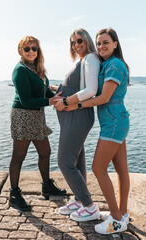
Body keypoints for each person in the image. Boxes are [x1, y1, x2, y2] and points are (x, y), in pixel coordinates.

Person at [62, 28, 130, 234]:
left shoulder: (115, 65)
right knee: (121, 170)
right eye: (99, 43)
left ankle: (117, 220)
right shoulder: (107, 63)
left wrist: (76, 105)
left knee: (98, 168)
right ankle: (123, 213)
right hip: (116, 121)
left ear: (115, 44)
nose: (101, 46)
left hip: (114, 123)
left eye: (106, 43)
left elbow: (104, 98)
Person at [9, 36, 66, 211]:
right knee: (19, 156)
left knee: (45, 152)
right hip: (23, 115)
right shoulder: (20, 70)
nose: (31, 51)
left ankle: (46, 186)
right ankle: (14, 194)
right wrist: (50, 102)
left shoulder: (37, 68)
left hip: (37, 115)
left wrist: (60, 97)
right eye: (27, 49)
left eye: (34, 48)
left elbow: (45, 90)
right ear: (21, 51)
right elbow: (26, 101)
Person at [54, 28, 101, 222]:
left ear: (87, 40)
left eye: (79, 41)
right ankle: (80, 200)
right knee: (77, 160)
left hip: (77, 116)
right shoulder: (82, 61)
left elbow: (91, 90)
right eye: (73, 42)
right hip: (72, 117)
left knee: (64, 161)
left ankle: (89, 206)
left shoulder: (90, 59)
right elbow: (77, 88)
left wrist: (65, 102)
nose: (76, 45)